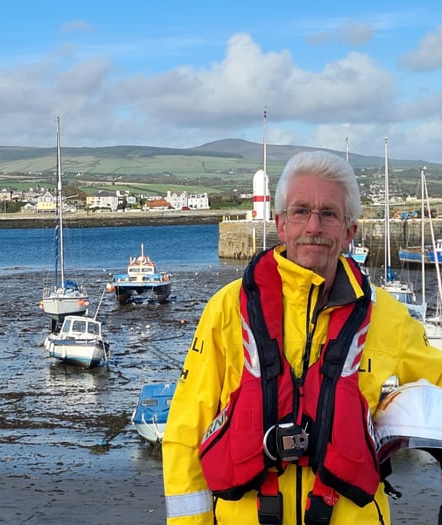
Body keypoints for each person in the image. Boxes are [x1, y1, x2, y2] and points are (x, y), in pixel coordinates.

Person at [162, 150, 442, 525]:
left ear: (349, 231)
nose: (313, 226)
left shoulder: (388, 315)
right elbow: (185, 431)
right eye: (300, 211)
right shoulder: (228, 309)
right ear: (281, 225)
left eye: (329, 213)